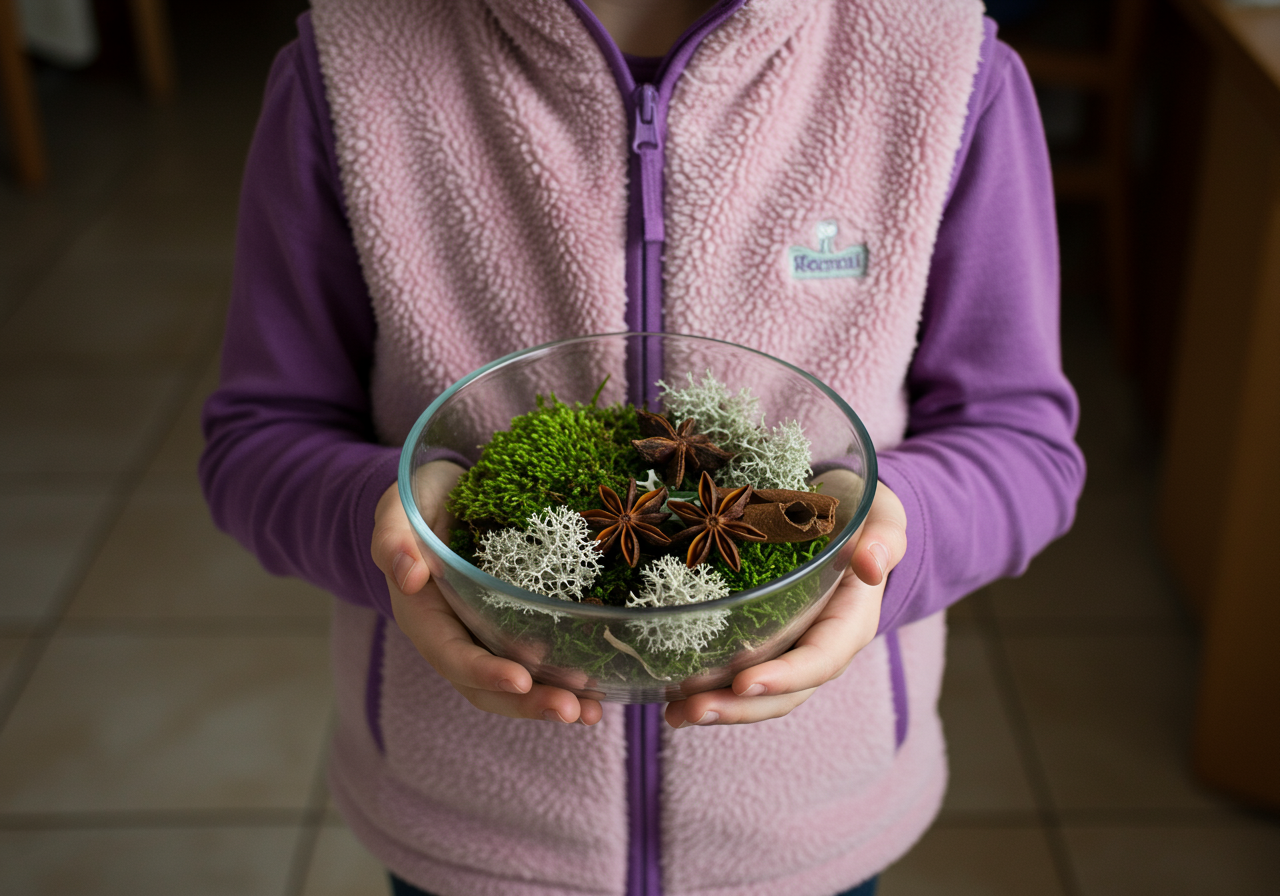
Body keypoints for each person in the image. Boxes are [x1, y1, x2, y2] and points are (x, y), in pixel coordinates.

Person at [200, 1, 1086, 894]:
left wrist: (891, 541)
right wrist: (391, 527)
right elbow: (257, 443)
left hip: (802, 828)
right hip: (475, 829)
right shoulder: (348, 64)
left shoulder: (941, 65)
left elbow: (1023, 446)